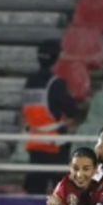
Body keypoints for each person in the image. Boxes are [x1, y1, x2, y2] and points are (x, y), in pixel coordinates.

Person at [23, 39, 80, 195]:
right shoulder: (56, 84)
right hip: (54, 145)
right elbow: (72, 110)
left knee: (33, 194)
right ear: (56, 58)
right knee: (61, 194)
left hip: (34, 143)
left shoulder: (30, 83)